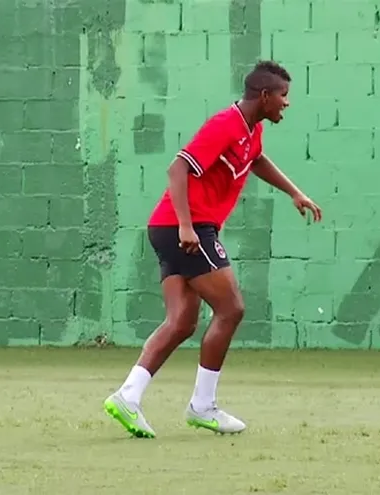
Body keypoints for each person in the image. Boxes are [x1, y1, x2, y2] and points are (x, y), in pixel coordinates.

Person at [102, 60, 322, 439]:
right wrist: (187, 226)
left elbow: (257, 160)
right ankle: (202, 406)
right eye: (283, 96)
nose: (287, 103)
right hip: (184, 227)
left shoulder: (251, 132)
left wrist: (294, 192)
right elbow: (177, 169)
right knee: (232, 308)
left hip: (171, 227)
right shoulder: (225, 125)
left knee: (182, 321)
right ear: (265, 96)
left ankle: (128, 395)